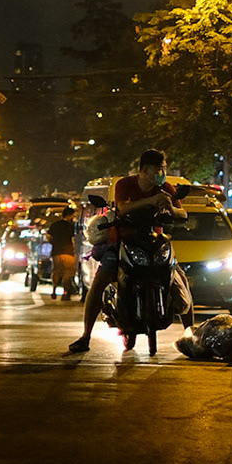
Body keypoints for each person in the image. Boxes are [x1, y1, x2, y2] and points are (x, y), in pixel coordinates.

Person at [69, 149, 185, 352]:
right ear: (144, 170)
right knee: (100, 281)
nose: (161, 173)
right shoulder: (125, 184)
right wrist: (150, 201)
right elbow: (122, 208)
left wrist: (171, 207)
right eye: (158, 169)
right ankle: (85, 336)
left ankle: (189, 334)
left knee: (178, 278)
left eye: (163, 169)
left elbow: (182, 213)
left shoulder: (165, 188)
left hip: (153, 242)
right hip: (122, 240)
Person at [45, 205, 79, 301]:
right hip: (68, 252)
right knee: (67, 273)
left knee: (56, 272)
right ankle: (65, 293)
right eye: (72, 215)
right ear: (69, 215)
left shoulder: (55, 225)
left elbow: (48, 237)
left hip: (57, 252)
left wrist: (53, 243)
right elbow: (75, 239)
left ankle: (54, 290)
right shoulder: (71, 226)